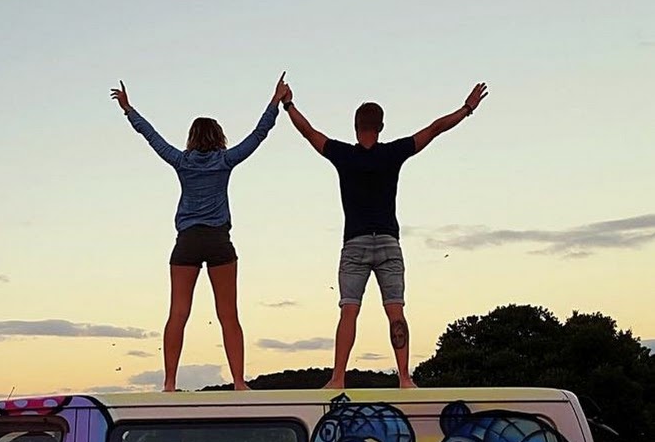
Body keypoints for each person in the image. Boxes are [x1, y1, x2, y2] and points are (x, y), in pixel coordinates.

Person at [280, 82, 488, 389]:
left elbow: (309, 132)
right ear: (381, 127)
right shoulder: (393, 153)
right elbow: (435, 129)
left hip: (355, 244)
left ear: (356, 127)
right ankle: (404, 378)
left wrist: (288, 105)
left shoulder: (343, 154)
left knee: (349, 311)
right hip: (389, 243)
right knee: (395, 311)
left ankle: (338, 379)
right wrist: (467, 108)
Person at [112, 74, 288, 391]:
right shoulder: (225, 160)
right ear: (219, 137)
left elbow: (151, 137)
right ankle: (238, 382)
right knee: (228, 315)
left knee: (178, 313)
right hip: (218, 241)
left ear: (192, 138)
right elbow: (258, 134)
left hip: (187, 242)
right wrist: (275, 101)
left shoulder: (182, 161)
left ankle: (169, 382)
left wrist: (128, 109)